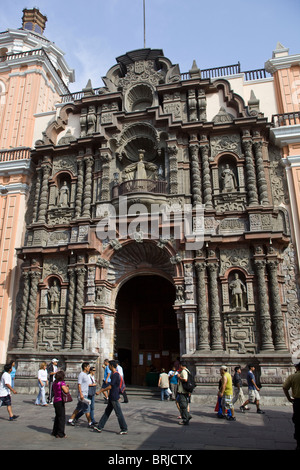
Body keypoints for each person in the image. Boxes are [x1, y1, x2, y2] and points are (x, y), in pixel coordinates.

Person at [94, 360, 128, 434]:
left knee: (118, 413)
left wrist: (100, 391)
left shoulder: (115, 375)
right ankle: (100, 426)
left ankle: (124, 428)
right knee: (107, 412)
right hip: (113, 396)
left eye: (109, 365)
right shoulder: (115, 374)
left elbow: (111, 386)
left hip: (114, 396)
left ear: (112, 366)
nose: (108, 366)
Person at [68, 362, 92, 427]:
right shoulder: (81, 375)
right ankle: (90, 423)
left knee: (78, 408)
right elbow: (79, 384)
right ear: (85, 367)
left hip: (85, 393)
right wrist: (81, 394)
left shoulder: (86, 375)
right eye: (88, 367)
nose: (89, 368)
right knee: (87, 408)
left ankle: (70, 420)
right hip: (83, 394)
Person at [283, 361, 300, 450]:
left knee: (297, 422)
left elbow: (285, 387)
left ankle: (298, 443)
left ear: (297, 368)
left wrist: (289, 398)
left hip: (297, 402)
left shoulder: (293, 376)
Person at [51, 370, 69, 438]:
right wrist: (67, 387)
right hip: (60, 401)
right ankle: (60, 433)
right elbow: (66, 391)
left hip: (55, 400)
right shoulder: (62, 383)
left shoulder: (54, 383)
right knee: (61, 417)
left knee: (57, 417)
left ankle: (55, 431)